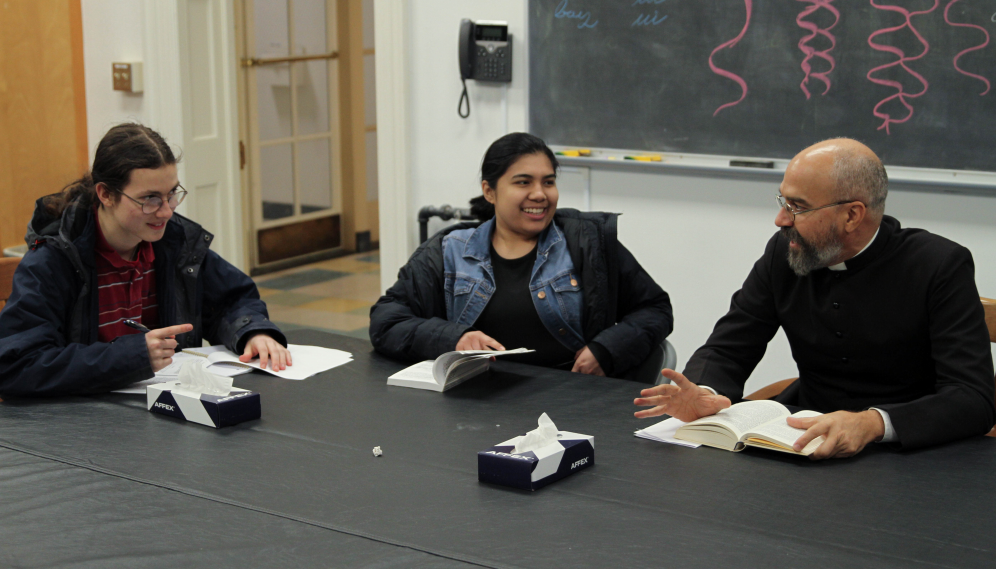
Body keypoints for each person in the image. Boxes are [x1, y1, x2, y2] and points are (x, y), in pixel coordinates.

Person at [634, 138, 995, 458]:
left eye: (797, 207)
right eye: (782, 201)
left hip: (908, 453)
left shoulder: (938, 265)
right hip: (799, 440)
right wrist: (705, 391)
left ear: (852, 215)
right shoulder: (785, 252)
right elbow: (731, 344)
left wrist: (873, 424)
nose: (780, 220)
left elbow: (972, 398)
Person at [0, 123, 291, 396]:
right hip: (82, 428)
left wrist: (252, 331)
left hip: (165, 412)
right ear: (105, 194)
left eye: (171, 194)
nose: (166, 211)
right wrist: (131, 356)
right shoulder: (53, 262)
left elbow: (231, 299)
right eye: (150, 198)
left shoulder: (175, 243)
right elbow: (16, 365)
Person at [370, 132, 672, 377]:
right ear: (490, 191)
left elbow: (655, 309)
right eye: (523, 182)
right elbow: (386, 321)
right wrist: (453, 339)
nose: (540, 194)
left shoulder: (587, 242)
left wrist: (606, 349)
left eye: (549, 182)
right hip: (473, 402)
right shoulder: (449, 251)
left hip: (573, 402)